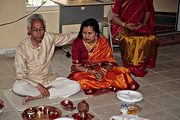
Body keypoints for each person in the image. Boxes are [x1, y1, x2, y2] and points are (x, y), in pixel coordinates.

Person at [12, 14, 80, 104]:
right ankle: (46, 92)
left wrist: (84, 33)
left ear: (45, 29)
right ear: (29, 30)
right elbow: (20, 74)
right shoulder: (22, 47)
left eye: (41, 29)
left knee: (76, 86)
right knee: (17, 87)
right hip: (31, 82)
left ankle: (39, 95)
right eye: (35, 30)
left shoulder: (49, 38)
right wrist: (38, 85)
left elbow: (68, 37)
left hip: (48, 79)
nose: (39, 32)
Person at [68, 18, 139, 94]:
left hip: (102, 68)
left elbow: (110, 62)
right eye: (84, 33)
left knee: (123, 73)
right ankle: (103, 84)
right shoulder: (77, 43)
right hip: (85, 70)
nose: (86, 36)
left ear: (96, 33)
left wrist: (102, 72)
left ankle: (94, 85)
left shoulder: (103, 42)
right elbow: (77, 66)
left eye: (90, 33)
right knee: (77, 78)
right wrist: (92, 72)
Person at [111, 0, 158, 77]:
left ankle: (142, 63)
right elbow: (114, 17)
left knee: (151, 38)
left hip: (138, 25)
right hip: (123, 25)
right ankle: (131, 65)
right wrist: (125, 24)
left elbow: (147, 12)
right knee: (129, 39)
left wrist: (143, 23)